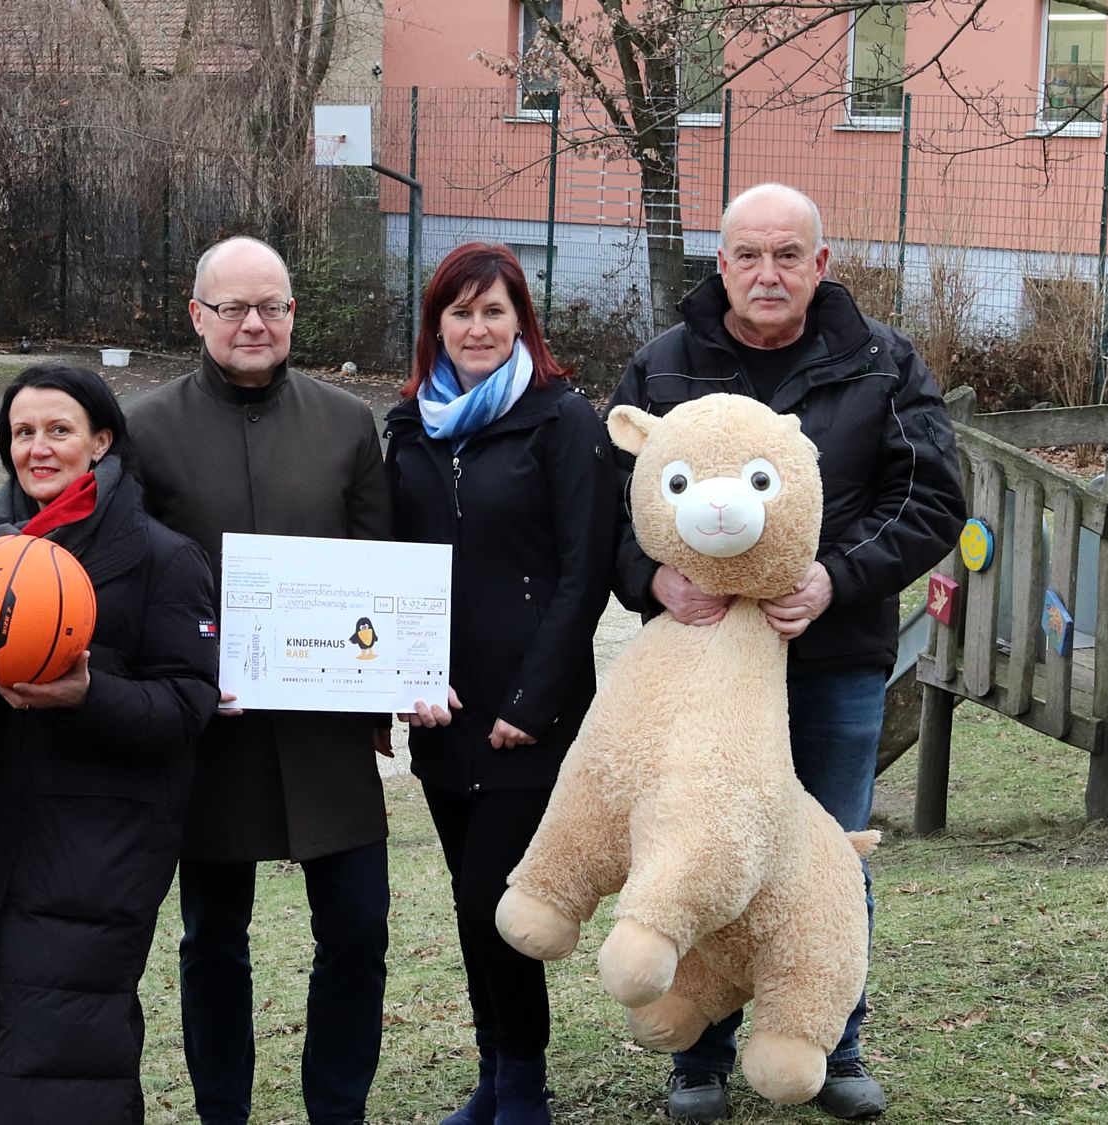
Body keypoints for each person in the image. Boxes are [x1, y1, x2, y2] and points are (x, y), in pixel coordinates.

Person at [607, 184, 966, 1123]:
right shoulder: (664, 367)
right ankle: (698, 1054)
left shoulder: (882, 365)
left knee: (829, 856)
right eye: (748, 255)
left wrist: (836, 579)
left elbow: (930, 498)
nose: (768, 273)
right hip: (702, 672)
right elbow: (610, 509)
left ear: (821, 264)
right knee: (703, 847)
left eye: (787, 255)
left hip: (832, 658)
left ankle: (831, 1041)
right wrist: (653, 580)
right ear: (719, 265)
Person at [126, 235, 394, 1125]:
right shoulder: (146, 427)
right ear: (196, 315)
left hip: (327, 726)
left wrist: (398, 680)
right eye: (233, 307)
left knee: (357, 929)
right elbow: (130, 572)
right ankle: (222, 1111)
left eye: (271, 306)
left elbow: (380, 568)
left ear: (291, 314)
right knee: (212, 941)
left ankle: (338, 1109)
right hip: (210, 728)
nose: (254, 322)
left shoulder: (348, 421)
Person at [0, 364, 219, 1123]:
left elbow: (186, 707)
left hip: (102, 844)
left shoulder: (160, 557)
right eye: (22, 432)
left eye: (59, 429)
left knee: (73, 1043)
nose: (38, 447)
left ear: (101, 440)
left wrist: (88, 693)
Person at [383, 243, 616, 1125]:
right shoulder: (410, 424)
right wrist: (397, 681)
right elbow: (390, 566)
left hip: (531, 721)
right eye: (459, 312)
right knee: (467, 902)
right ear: (435, 325)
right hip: (439, 712)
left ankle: (522, 1085)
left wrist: (532, 702)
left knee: (501, 903)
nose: (476, 328)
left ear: (522, 319)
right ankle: (494, 1075)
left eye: (493, 310)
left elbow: (583, 571)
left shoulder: (563, 421)